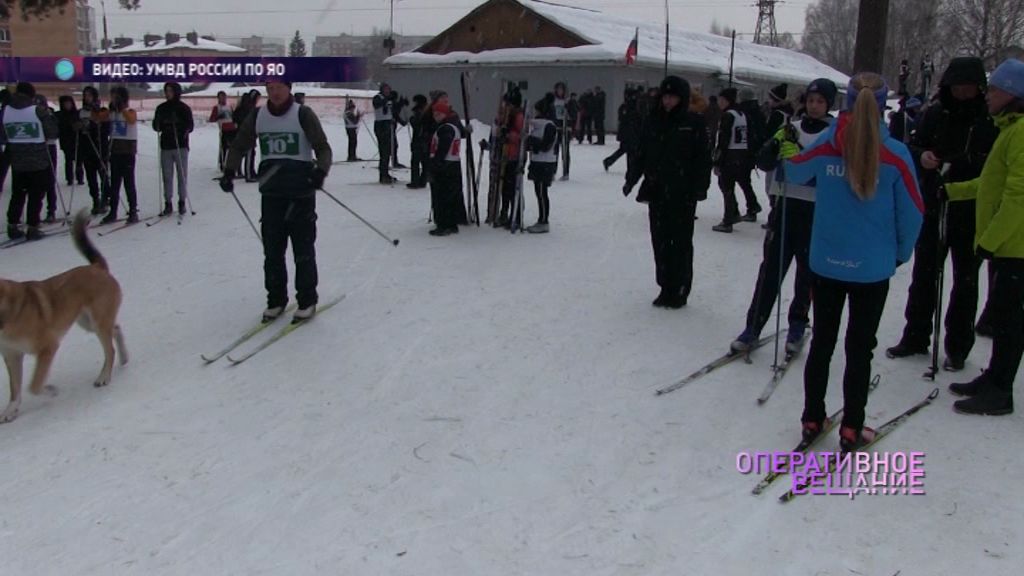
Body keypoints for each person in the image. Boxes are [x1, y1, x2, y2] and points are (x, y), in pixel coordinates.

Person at [784, 72, 923, 451]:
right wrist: (899, 252)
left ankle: (812, 418)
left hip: (826, 263)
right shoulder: (895, 153)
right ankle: (851, 428)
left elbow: (794, 169)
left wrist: (785, 144)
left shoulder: (830, 143)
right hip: (872, 268)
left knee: (823, 343)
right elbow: (913, 211)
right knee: (860, 347)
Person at [886, 57, 999, 372]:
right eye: (956, 86)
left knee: (965, 279)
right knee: (924, 273)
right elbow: (913, 146)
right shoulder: (935, 113)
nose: (961, 92)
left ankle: (958, 345)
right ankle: (915, 334)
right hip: (934, 202)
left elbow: (992, 165)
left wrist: (963, 163)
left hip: (970, 207)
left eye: (968, 86)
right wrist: (923, 157)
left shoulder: (988, 120)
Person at [731, 78, 838, 355]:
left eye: (820, 102)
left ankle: (797, 324)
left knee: (807, 274)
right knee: (770, 271)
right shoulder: (791, 127)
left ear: (828, 105)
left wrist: (802, 155)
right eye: (811, 101)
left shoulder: (834, 133)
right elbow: (764, 161)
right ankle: (753, 326)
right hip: (785, 206)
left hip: (816, 211)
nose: (814, 107)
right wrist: (774, 148)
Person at [944, 58, 1024, 415]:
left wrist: (990, 239)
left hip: (1015, 247)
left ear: (1013, 93)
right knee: (1003, 316)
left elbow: (1018, 197)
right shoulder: (1009, 129)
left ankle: (1000, 391)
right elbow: (990, 184)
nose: (987, 95)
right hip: (1007, 245)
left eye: (994, 89)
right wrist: (953, 191)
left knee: (1009, 321)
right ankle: (992, 377)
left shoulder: (1021, 132)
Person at [221, 79, 332, 323]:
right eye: (270, 89)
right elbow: (240, 145)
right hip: (271, 194)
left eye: (279, 88)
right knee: (272, 252)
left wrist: (320, 172)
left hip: (300, 194)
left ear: (288, 88)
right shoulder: (258, 115)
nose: (274, 93)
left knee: (302, 250)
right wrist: (229, 171)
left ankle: (307, 300)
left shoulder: (303, 114)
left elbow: (323, 148)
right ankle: (276, 300)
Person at [623, 76, 712, 309]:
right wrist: (631, 179)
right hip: (657, 190)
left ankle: (680, 288)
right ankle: (665, 286)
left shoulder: (693, 123)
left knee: (680, 242)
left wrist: (700, 187)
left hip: (683, 192)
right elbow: (641, 153)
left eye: (673, 97)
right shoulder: (653, 121)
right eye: (665, 96)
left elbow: (703, 158)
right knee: (660, 240)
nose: (668, 101)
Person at [3, 82, 58, 240]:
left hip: (17, 160)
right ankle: (33, 226)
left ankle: (13, 224)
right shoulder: (37, 110)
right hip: (38, 159)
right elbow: (52, 132)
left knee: (18, 194)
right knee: (36, 195)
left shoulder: (6, 110)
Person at [712, 87, 761, 232]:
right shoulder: (741, 114)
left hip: (729, 155)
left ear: (726, 100)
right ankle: (734, 213)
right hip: (741, 154)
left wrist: (717, 160)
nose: (719, 103)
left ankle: (729, 218)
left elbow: (723, 139)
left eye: (721, 100)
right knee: (732, 185)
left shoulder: (728, 115)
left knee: (726, 186)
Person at [152, 82, 194, 216]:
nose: (168, 93)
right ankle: (168, 202)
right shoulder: (161, 108)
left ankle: (182, 201)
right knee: (167, 176)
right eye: (166, 91)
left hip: (180, 145)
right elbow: (156, 126)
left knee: (182, 175)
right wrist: (161, 123)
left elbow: (190, 126)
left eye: (170, 91)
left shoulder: (183, 108)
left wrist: (180, 127)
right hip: (166, 145)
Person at [103, 86, 139, 224]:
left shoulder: (129, 111)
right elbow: (100, 118)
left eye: (115, 97)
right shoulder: (112, 113)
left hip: (127, 150)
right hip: (115, 149)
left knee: (129, 182)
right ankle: (113, 211)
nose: (113, 99)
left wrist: (122, 108)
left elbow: (131, 120)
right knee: (115, 183)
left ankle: (133, 211)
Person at [426, 100, 463, 236]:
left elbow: (442, 149)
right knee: (450, 196)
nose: (436, 115)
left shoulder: (445, 128)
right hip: (452, 164)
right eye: (434, 113)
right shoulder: (451, 127)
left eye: (439, 113)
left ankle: (444, 224)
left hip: (446, 166)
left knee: (442, 196)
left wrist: (435, 165)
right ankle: (451, 224)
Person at [526, 95, 558, 233]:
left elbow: (546, 145)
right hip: (538, 162)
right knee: (539, 191)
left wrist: (531, 140)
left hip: (545, 163)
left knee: (541, 192)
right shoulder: (537, 126)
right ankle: (542, 219)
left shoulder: (549, 126)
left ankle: (544, 220)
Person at [76, 86, 110, 215]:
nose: (87, 98)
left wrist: (94, 125)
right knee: (91, 177)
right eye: (85, 95)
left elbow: (107, 129)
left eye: (89, 95)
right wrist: (79, 127)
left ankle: (106, 198)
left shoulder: (102, 111)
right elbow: (75, 127)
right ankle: (95, 200)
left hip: (100, 147)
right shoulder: (81, 112)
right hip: (87, 148)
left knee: (103, 174)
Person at [494, 86, 524, 228]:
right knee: (504, 188)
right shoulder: (504, 116)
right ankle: (504, 212)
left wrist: (509, 135)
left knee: (512, 188)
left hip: (514, 156)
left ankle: (516, 215)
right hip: (504, 156)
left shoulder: (518, 116)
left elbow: (522, 136)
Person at [34, 94, 60, 223]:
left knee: (49, 181)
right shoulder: (32, 115)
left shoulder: (49, 115)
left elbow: (54, 133)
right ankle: (35, 213)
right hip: (36, 149)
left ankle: (51, 210)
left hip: (48, 147)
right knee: (37, 182)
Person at [603, 87, 640, 172]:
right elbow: (624, 119)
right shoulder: (626, 107)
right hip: (627, 133)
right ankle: (630, 168)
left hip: (631, 132)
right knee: (629, 151)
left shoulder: (632, 106)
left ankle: (609, 161)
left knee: (625, 150)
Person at [373, 82, 398, 184]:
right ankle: (383, 175)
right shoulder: (377, 97)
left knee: (391, 148)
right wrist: (388, 99)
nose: (387, 91)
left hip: (389, 123)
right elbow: (378, 105)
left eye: (389, 89)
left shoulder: (390, 98)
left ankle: (386, 173)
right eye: (385, 89)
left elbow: (393, 110)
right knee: (384, 151)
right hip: (381, 125)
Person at [56, 95, 82, 187]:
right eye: (65, 103)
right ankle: (69, 178)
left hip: (77, 140)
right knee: (68, 160)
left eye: (69, 103)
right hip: (65, 140)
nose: (67, 105)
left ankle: (80, 178)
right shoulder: (59, 115)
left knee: (79, 160)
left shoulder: (77, 114)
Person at [209, 90, 236, 171]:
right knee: (223, 148)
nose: (223, 99)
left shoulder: (229, 106)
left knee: (232, 148)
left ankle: (230, 163)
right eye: (221, 97)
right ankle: (222, 164)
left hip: (232, 128)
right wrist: (218, 117)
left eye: (224, 97)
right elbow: (212, 119)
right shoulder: (217, 107)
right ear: (218, 98)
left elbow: (233, 116)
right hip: (223, 129)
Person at [406, 94, 429, 189]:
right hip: (426, 140)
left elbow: (417, 125)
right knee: (425, 162)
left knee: (415, 161)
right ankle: (423, 180)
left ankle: (415, 181)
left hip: (419, 140)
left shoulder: (419, 113)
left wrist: (411, 120)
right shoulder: (429, 111)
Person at [553, 82, 571, 180]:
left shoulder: (568, 101)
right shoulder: (554, 101)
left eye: (561, 89)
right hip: (556, 126)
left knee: (565, 151)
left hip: (565, 127)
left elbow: (574, 113)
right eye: (558, 89)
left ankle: (566, 172)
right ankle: (552, 171)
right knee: (554, 150)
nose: (560, 91)